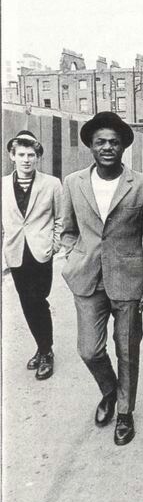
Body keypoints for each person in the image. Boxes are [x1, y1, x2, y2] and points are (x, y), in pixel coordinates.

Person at [61, 112, 143, 446]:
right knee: (89, 350)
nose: (107, 147)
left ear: (123, 146)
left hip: (129, 282)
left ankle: (124, 412)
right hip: (88, 279)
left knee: (127, 352)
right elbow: (67, 230)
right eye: (100, 142)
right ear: (91, 146)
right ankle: (109, 391)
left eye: (114, 142)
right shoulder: (73, 182)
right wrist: (72, 256)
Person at [2, 130, 62, 380]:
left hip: (40, 252)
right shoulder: (3, 186)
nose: (26, 159)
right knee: (27, 303)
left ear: (37, 157)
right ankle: (43, 347)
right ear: (12, 156)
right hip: (16, 253)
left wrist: (54, 246)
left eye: (31, 155)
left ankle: (46, 352)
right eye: (21, 155)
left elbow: (61, 219)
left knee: (38, 299)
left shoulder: (51, 184)